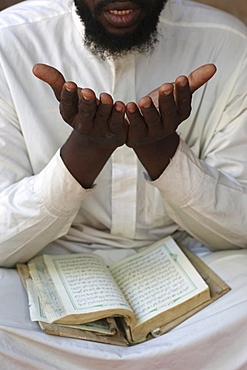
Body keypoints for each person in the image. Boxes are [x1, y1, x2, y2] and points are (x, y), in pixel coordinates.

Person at [0, 1, 247, 369]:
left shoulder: (228, 44)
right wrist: (83, 153)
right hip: (43, 261)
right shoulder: (10, 43)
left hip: (193, 259)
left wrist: (162, 151)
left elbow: (241, 229)